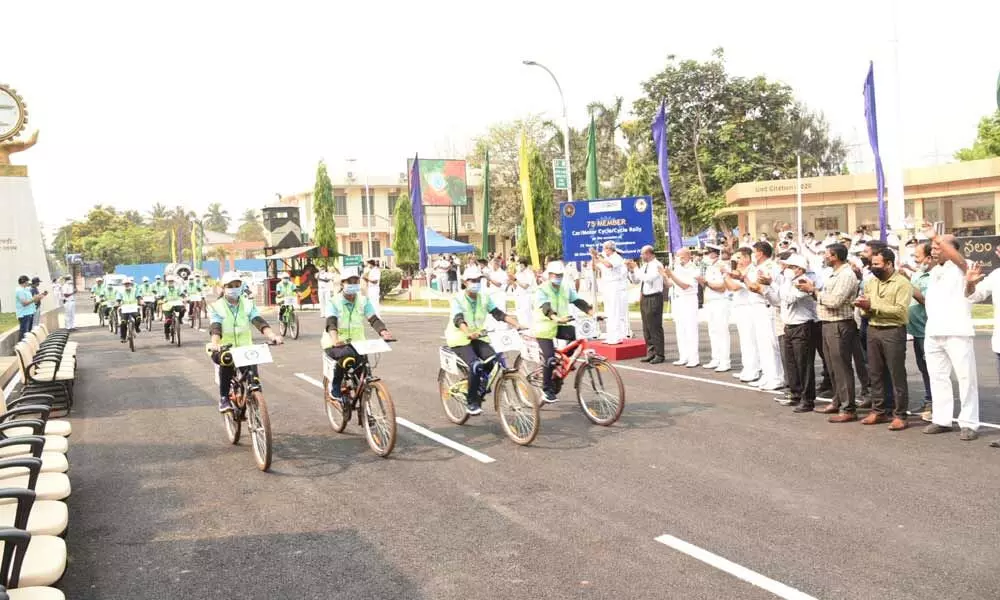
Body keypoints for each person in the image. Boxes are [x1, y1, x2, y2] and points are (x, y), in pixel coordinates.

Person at [922, 231, 979, 441]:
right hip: (934, 331)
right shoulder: (935, 270)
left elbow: (958, 260)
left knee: (966, 378)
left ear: (952, 249)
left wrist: (937, 236)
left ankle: (969, 423)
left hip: (957, 331)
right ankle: (942, 419)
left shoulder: (965, 264)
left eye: (939, 247)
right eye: (933, 247)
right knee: (938, 378)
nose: (934, 250)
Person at [796, 243, 860, 422]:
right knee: (831, 367)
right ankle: (838, 400)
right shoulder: (834, 274)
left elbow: (835, 301)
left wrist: (813, 291)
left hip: (839, 324)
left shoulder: (847, 275)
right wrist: (812, 290)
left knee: (841, 367)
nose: (824, 257)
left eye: (827, 254)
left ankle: (849, 408)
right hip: (828, 323)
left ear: (835, 257)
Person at [445, 266, 520, 415]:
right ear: (465, 282)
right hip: (460, 338)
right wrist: (467, 332)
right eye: (473, 280)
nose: (476, 283)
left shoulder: (484, 297)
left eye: (478, 280)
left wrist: (517, 324)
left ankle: (479, 384)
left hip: (478, 337)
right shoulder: (457, 298)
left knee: (492, 360)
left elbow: (498, 314)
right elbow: (458, 318)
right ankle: (472, 402)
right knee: (475, 365)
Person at [207, 272, 283, 412]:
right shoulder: (216, 306)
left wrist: (272, 335)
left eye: (237, 285)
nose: (234, 288)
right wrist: (215, 343)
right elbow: (215, 327)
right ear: (223, 288)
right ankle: (224, 398)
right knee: (226, 360)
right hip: (224, 349)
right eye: (230, 286)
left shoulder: (248, 304)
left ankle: (255, 397)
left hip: (244, 348)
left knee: (252, 372)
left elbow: (258, 321)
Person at [855, 247, 912, 430]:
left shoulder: (902, 283)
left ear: (889, 263)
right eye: (872, 264)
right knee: (875, 373)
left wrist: (873, 305)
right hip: (873, 328)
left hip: (893, 331)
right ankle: (879, 410)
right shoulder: (871, 282)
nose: (873, 267)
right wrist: (863, 306)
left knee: (896, 373)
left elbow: (901, 311)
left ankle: (900, 414)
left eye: (877, 264)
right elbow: (867, 305)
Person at [323, 266, 393, 406]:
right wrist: (335, 339)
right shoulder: (334, 301)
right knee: (346, 357)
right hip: (336, 344)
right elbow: (331, 323)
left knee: (364, 372)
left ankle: (365, 408)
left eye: (355, 281)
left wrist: (383, 331)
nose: (353, 284)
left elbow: (373, 319)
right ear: (343, 283)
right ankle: (335, 389)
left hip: (358, 344)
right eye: (349, 282)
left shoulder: (363, 300)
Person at [761, 254, 818, 412]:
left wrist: (772, 283)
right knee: (791, 363)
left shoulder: (804, 282)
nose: (787, 270)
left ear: (799, 269)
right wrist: (766, 289)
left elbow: (790, 298)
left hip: (803, 325)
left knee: (804, 365)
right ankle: (795, 394)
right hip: (789, 325)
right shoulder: (788, 282)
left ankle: (807, 399)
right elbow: (778, 301)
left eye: (791, 267)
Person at [532, 261, 595, 403]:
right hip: (544, 328)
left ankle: (561, 364)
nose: (558, 277)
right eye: (555, 275)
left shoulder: (565, 288)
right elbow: (546, 307)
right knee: (549, 358)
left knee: (575, 335)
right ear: (549, 275)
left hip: (559, 324)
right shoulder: (542, 289)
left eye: (560, 275)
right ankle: (546, 389)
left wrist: (592, 312)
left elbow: (578, 301)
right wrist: (556, 317)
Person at [900, 241, 934, 420]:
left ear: (929, 257)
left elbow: (925, 300)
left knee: (931, 369)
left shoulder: (932, 276)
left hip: (926, 329)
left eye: (917, 256)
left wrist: (906, 283)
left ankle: (933, 403)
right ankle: (929, 399)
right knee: (923, 368)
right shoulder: (919, 273)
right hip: (916, 329)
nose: (915, 259)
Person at [744, 242, 784, 390]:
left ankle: (777, 378)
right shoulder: (759, 268)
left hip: (767, 306)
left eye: (754, 252)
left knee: (770, 345)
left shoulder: (769, 267)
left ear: (760, 253)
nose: (753, 255)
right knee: (762, 344)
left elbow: (760, 288)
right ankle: (767, 375)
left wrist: (748, 282)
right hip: (758, 307)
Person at [725, 247, 760, 382]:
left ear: (747, 258)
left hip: (748, 308)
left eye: (739, 258)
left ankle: (753, 370)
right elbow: (730, 287)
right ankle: (747, 368)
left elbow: (734, 286)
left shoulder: (750, 271)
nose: (737, 261)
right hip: (740, 307)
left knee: (750, 340)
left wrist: (726, 275)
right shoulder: (741, 272)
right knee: (745, 341)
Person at [627, 245, 665, 364]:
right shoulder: (645, 266)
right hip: (645, 296)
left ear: (649, 254)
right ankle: (651, 352)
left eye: (643, 254)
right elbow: (636, 280)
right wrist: (632, 271)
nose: (641, 256)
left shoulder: (657, 265)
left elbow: (648, 279)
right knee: (646, 327)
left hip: (654, 297)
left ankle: (659, 353)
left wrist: (636, 268)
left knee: (654, 326)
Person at [662, 248, 700, 367]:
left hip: (689, 299)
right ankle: (683, 356)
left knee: (690, 329)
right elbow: (670, 284)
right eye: (678, 256)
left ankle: (694, 358)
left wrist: (671, 275)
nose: (679, 259)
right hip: (678, 300)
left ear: (688, 256)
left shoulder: (693, 269)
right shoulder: (677, 268)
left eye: (681, 257)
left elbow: (684, 285)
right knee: (680, 329)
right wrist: (664, 275)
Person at [699, 244, 731, 372]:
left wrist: (706, 282)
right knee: (712, 331)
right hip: (711, 302)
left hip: (720, 301)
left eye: (709, 252)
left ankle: (725, 361)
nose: (707, 255)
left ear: (715, 253)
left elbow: (722, 287)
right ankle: (715, 358)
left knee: (722, 331)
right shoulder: (709, 267)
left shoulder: (722, 266)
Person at [590, 242, 626, 345]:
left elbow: (609, 265)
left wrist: (598, 255)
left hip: (615, 285)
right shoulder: (605, 258)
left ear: (609, 249)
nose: (603, 251)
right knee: (608, 312)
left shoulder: (616, 258)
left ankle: (617, 337)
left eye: (604, 249)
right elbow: (594, 267)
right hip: (606, 285)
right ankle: (610, 336)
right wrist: (593, 257)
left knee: (614, 311)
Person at [15, 275, 45, 340]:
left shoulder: (26, 289)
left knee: (28, 331)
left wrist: (37, 297)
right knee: (24, 332)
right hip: (24, 314)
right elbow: (24, 303)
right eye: (27, 282)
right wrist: (34, 299)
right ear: (24, 282)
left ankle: (27, 345)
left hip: (29, 313)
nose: (28, 283)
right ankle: (20, 347)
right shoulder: (19, 291)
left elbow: (32, 287)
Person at [115, 278, 142, 343]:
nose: (127, 285)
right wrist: (117, 304)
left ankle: (137, 327)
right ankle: (123, 337)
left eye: (128, 284)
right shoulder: (120, 291)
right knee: (123, 322)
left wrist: (141, 302)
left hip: (134, 308)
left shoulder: (135, 290)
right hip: (124, 308)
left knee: (138, 318)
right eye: (125, 284)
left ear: (130, 284)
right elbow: (118, 300)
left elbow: (139, 297)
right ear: (123, 285)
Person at [513, 257, 536, 329]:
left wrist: (515, 280)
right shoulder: (518, 273)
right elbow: (515, 284)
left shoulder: (529, 273)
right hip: (519, 296)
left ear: (523, 265)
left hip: (527, 297)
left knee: (527, 315)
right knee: (520, 315)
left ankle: (529, 329)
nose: (518, 266)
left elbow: (525, 286)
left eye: (519, 264)